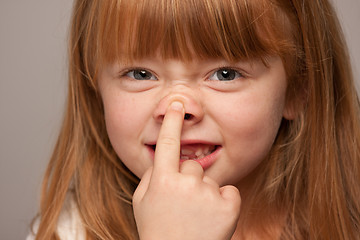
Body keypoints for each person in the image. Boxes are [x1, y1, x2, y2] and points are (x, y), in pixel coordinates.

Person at [28, 0, 360, 239]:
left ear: (298, 90)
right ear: (94, 89)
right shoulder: (68, 233)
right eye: (140, 73)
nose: (177, 107)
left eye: (226, 74)